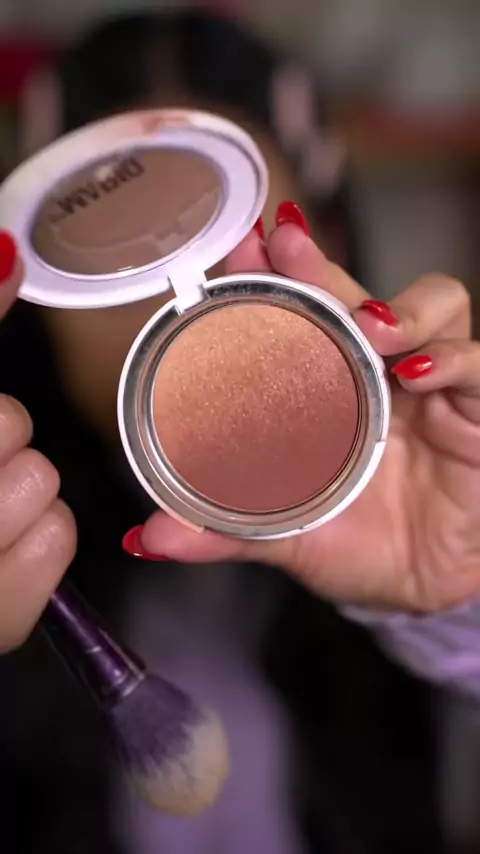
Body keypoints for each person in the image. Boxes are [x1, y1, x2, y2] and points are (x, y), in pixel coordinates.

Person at [1, 10, 475, 853]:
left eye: (230, 239)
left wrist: (459, 602)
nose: (169, 309)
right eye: (112, 261)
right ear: (38, 298)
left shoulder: (415, 507)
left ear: (320, 241)